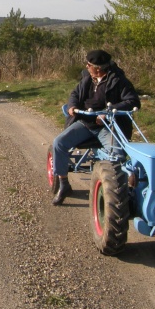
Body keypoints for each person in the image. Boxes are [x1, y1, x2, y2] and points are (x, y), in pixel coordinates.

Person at [50, 49, 141, 206]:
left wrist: (108, 113)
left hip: (108, 126)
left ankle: (116, 189)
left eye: (89, 65)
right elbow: (74, 94)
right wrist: (72, 106)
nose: (86, 66)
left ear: (98, 68)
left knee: (117, 155)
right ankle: (64, 184)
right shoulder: (87, 79)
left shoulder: (118, 81)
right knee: (59, 143)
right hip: (85, 123)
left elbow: (133, 101)